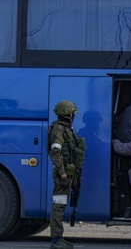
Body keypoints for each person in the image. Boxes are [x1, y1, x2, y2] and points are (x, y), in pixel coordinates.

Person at [47, 100, 86, 249]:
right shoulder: (58, 131)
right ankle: (56, 240)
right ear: (68, 115)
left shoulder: (66, 129)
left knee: (61, 205)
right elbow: (55, 152)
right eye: (72, 114)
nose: (73, 116)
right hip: (63, 175)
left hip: (69, 174)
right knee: (58, 206)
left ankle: (59, 238)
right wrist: (62, 173)